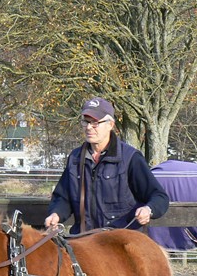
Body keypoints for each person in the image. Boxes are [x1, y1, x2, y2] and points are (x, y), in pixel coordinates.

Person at [44, 96, 169, 234]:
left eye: (95, 122)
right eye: (85, 122)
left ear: (110, 125)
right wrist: (56, 214)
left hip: (120, 242)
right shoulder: (75, 158)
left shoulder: (130, 158)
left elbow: (159, 196)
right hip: (83, 241)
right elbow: (63, 197)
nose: (89, 127)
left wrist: (148, 210)